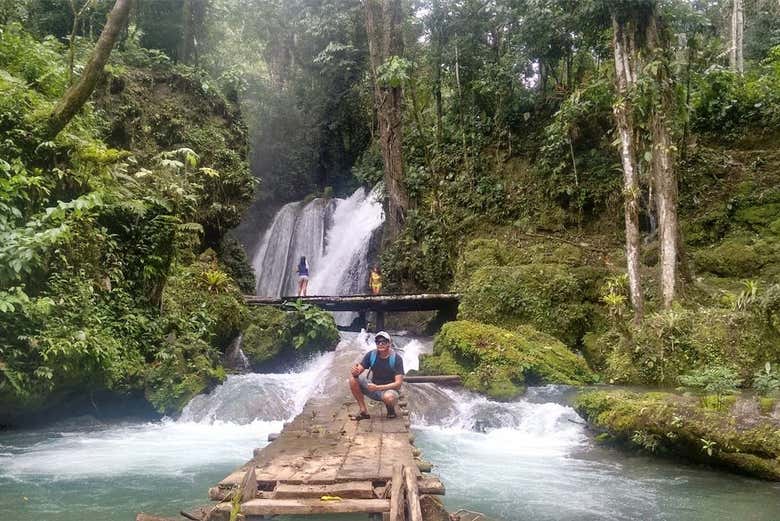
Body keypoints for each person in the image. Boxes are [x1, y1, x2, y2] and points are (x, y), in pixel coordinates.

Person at [348, 331, 404, 420]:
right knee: (352, 379)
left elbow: (398, 384)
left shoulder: (396, 358)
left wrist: (377, 388)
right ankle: (363, 411)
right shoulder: (371, 355)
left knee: (389, 398)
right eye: (378, 342)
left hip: (389, 390)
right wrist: (355, 371)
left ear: (389, 343)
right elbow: (358, 371)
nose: (380, 344)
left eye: (383, 342)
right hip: (373, 387)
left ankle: (390, 410)